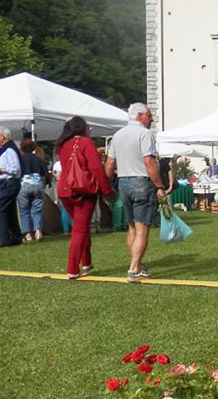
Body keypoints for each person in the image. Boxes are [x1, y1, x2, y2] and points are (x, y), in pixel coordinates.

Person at [105, 102, 165, 282]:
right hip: (141, 182)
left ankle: (137, 265)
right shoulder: (145, 134)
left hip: (123, 182)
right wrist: (160, 186)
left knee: (131, 227)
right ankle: (134, 269)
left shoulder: (117, 135)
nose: (151, 119)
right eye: (149, 115)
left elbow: (109, 165)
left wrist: (107, 186)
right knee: (142, 229)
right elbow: (149, 162)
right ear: (140, 115)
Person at [57, 117, 113, 279]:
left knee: (81, 228)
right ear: (83, 128)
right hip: (83, 191)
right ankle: (73, 269)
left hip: (65, 190)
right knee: (80, 230)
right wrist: (106, 189)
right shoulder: (86, 143)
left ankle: (86, 261)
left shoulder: (62, 144)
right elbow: (95, 167)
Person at [0, 126, 23, 247]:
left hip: (9, 183)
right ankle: (16, 237)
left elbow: (15, 169)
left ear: (2, 136)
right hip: (6, 183)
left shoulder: (10, 150)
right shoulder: (5, 149)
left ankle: (2, 238)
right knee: (9, 211)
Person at [17, 137, 49, 243]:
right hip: (38, 185)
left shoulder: (20, 160)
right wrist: (48, 183)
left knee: (24, 210)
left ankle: (28, 234)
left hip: (24, 185)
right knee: (37, 210)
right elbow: (46, 174)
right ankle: (38, 231)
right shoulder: (39, 159)